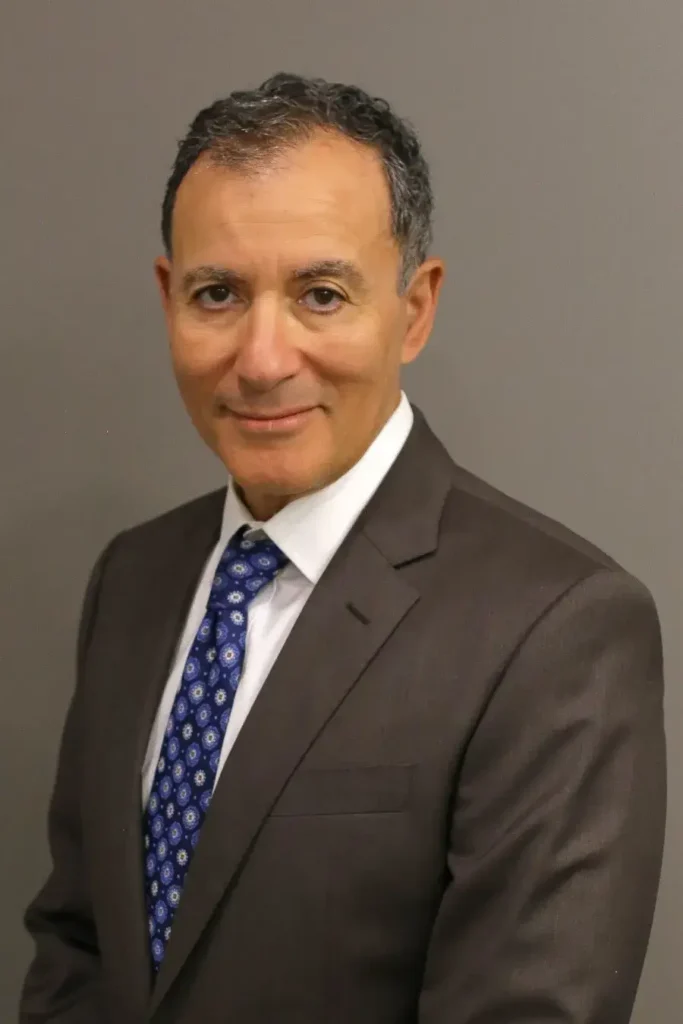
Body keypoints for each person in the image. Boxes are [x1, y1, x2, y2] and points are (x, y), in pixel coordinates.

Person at [20, 72, 666, 1024]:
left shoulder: (559, 629)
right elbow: (78, 951)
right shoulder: (134, 579)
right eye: (217, 293)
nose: (263, 357)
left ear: (413, 310)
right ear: (168, 300)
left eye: (321, 294)